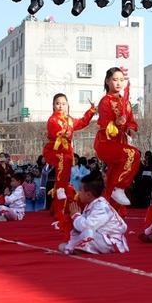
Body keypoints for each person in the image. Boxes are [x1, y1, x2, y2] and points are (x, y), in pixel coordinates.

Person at [42, 92, 96, 239]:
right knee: (62, 171)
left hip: (66, 153)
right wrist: (62, 132)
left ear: (68, 106)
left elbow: (83, 122)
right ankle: (60, 190)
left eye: (63, 103)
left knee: (65, 183)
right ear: (53, 106)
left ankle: (60, 207)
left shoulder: (71, 120)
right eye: (57, 103)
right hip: (53, 150)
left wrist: (91, 111)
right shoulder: (53, 119)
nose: (61, 106)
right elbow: (53, 131)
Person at [94, 67, 141, 209]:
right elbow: (104, 124)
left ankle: (106, 211)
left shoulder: (125, 102)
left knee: (112, 176)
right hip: (106, 143)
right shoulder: (105, 102)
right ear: (107, 81)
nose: (119, 83)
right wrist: (115, 123)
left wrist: (131, 128)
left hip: (120, 144)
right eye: (115, 80)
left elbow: (131, 121)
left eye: (122, 80)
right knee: (133, 154)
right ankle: (120, 187)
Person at [59, 172, 129, 255]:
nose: (78, 192)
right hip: (101, 238)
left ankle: (78, 248)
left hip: (111, 243)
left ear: (88, 194)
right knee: (75, 232)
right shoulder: (91, 205)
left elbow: (87, 227)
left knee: (88, 232)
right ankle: (76, 247)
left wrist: (76, 216)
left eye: (80, 190)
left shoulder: (101, 207)